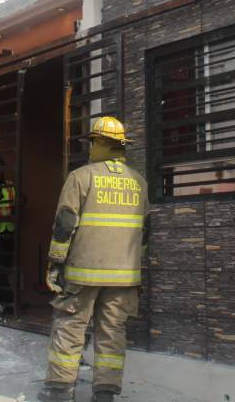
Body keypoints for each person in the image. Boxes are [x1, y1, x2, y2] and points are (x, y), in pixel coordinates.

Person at [38, 117, 149, 402]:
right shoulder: (139, 182)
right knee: (112, 333)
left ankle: (59, 391)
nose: (89, 147)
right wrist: (136, 266)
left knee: (70, 328)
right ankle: (105, 394)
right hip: (124, 276)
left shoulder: (81, 177)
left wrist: (55, 262)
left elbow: (65, 224)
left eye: (92, 142)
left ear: (100, 143)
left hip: (83, 274)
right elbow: (145, 232)